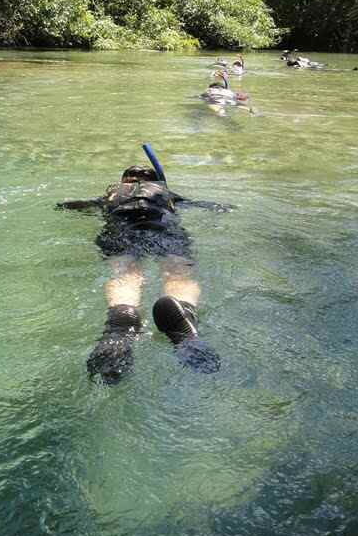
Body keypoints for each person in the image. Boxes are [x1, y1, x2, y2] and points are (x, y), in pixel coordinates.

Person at [56, 146, 229, 384]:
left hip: (122, 226)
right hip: (162, 225)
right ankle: (185, 316)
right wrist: (219, 207)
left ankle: (121, 322)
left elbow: (80, 205)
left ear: (124, 180)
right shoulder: (163, 191)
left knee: (125, 274)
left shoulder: (115, 191)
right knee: (176, 272)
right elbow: (201, 204)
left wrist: (66, 205)